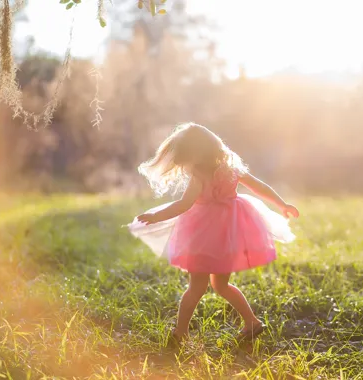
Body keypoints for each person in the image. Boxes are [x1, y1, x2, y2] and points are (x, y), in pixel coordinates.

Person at [128, 122, 299, 343]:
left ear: (195, 155)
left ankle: (180, 333)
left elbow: (184, 205)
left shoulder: (200, 175)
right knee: (221, 285)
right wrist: (282, 204)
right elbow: (258, 186)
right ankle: (252, 322)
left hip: (204, 235)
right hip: (228, 235)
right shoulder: (231, 168)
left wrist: (156, 217)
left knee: (196, 287)